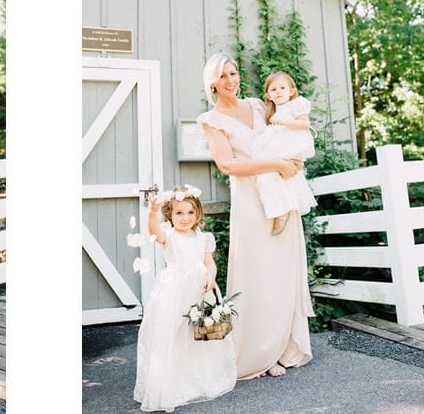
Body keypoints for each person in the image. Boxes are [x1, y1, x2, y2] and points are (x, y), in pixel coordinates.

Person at [196, 53, 314, 379]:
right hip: (249, 202)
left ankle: (281, 347)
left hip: (281, 197)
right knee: (256, 276)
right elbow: (228, 165)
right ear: (213, 83)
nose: (231, 80)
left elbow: (289, 135)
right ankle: (256, 353)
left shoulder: (259, 106)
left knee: (283, 272)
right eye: (223, 76)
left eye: (233, 73)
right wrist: (276, 164)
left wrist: (294, 159)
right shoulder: (212, 120)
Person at [133, 185, 236, 412]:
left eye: (190, 212)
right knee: (174, 332)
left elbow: (209, 262)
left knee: (197, 332)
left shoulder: (204, 237)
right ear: (170, 214)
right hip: (175, 289)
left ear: (198, 213)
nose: (185, 218)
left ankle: (197, 378)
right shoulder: (168, 235)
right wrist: (152, 212)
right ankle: (171, 382)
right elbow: (154, 232)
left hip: (200, 287)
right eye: (179, 213)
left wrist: (211, 275)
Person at [252, 71, 317, 235]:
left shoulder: (296, 105)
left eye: (282, 88)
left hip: (292, 146)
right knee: (269, 176)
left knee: (285, 176)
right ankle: (279, 209)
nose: (278, 91)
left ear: (292, 91)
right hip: (279, 148)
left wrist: (284, 122)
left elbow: (304, 124)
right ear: (268, 95)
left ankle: (282, 212)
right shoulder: (272, 113)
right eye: (274, 89)